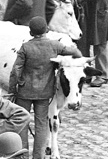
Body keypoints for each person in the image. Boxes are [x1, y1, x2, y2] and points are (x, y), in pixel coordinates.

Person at [10, 17, 83, 159]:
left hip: (24, 92)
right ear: (47, 30)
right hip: (44, 93)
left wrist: (13, 88)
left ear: (31, 33)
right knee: (42, 124)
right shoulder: (55, 46)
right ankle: (39, 155)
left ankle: (22, 155)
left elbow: (15, 70)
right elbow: (75, 52)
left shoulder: (25, 47)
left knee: (22, 123)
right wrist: (76, 61)